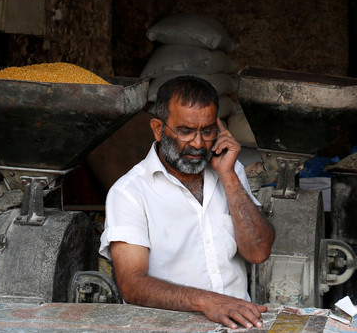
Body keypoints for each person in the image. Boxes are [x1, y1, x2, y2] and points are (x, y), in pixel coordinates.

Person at [100, 76, 275, 329]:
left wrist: (228, 177)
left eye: (207, 131)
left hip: (237, 324)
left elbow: (258, 252)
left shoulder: (230, 172)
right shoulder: (129, 192)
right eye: (185, 131)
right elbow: (132, 285)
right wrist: (208, 302)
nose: (197, 143)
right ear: (158, 129)